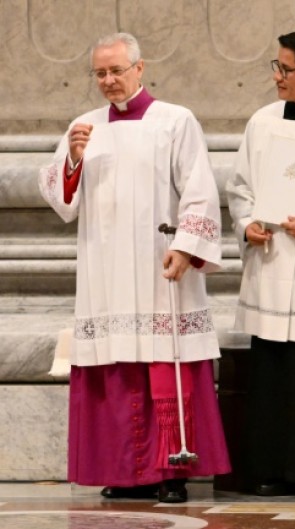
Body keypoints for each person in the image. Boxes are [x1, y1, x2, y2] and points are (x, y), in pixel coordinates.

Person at [38, 32, 230, 503]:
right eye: (99, 73)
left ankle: (170, 471)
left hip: (160, 267)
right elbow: (62, 201)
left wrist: (186, 247)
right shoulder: (83, 126)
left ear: (139, 68)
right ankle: (123, 470)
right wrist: (74, 162)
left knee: (166, 367)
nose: (108, 80)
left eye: (116, 70)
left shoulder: (175, 121)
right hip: (106, 273)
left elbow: (200, 189)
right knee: (116, 367)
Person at [226, 29, 295, 497]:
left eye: (285, 69)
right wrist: (247, 223)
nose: (277, 77)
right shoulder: (263, 122)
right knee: (271, 372)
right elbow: (240, 187)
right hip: (271, 262)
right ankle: (268, 468)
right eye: (276, 67)